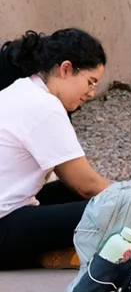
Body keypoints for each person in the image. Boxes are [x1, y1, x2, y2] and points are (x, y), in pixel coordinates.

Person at [0, 29, 111, 270]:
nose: (91, 93)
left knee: (69, 192)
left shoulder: (23, 88)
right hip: (3, 231)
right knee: (110, 210)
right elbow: (86, 184)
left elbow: (72, 180)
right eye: (90, 81)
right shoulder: (45, 106)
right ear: (66, 69)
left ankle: (52, 253)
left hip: (11, 211)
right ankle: (46, 254)